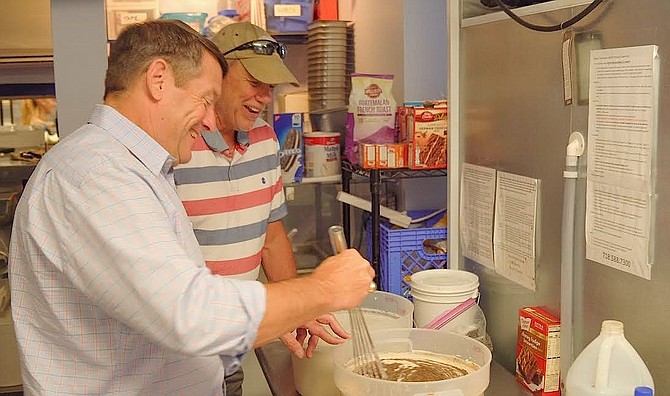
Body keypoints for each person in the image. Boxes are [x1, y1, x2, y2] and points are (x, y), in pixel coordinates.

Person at [8, 19, 374, 395]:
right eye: (205, 100)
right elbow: (192, 316)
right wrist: (322, 289)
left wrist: (287, 311)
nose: (210, 119)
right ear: (158, 79)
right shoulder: (99, 175)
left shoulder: (139, 168)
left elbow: (161, 298)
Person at [174, 22, 339, 395]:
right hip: (181, 345)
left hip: (236, 341)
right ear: (216, 73)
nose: (264, 97)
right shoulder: (179, 144)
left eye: (271, 86)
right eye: (254, 82)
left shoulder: (265, 140)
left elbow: (272, 236)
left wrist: (297, 308)